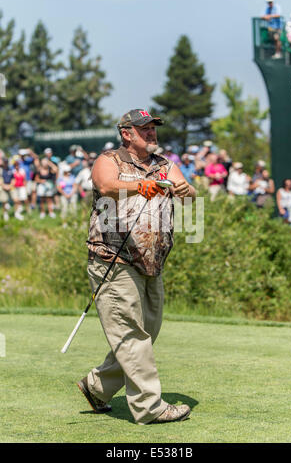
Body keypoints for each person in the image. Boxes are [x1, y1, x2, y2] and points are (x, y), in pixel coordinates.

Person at [77, 108, 195, 425]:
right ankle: (149, 407)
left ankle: (96, 387)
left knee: (147, 331)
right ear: (127, 133)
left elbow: (188, 194)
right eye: (145, 129)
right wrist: (140, 186)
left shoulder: (165, 165)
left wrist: (186, 190)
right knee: (132, 334)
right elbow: (105, 185)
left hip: (151, 262)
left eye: (154, 128)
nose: (152, 133)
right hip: (112, 258)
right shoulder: (109, 160)